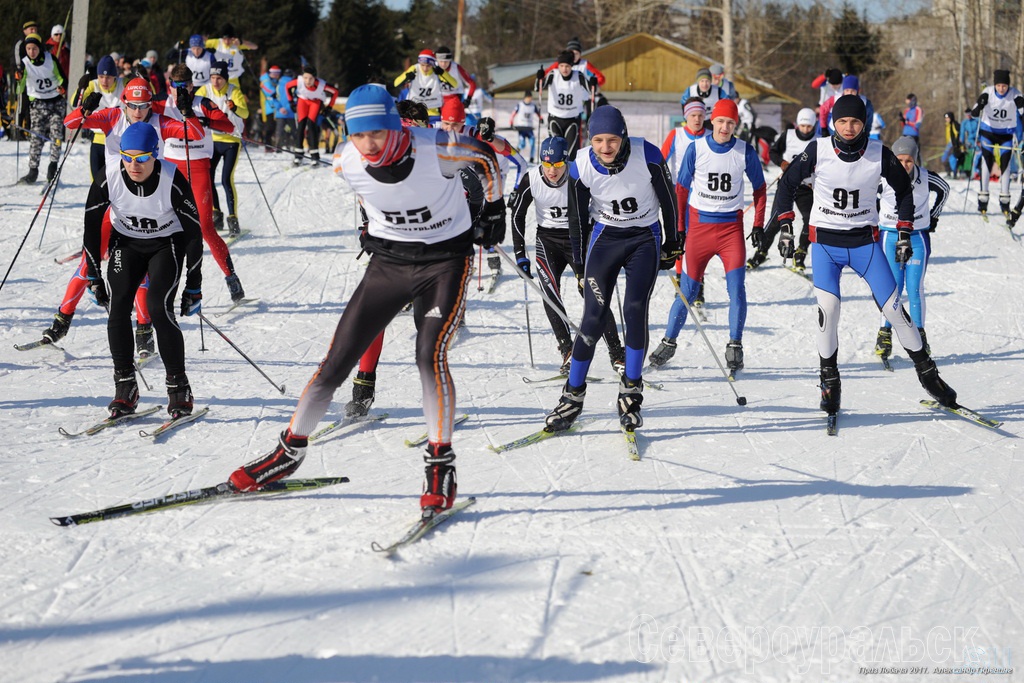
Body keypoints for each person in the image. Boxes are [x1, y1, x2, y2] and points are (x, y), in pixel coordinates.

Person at [227, 84, 505, 520]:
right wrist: (371, 225)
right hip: (389, 263)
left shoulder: (441, 148)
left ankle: (440, 466)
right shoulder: (346, 161)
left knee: (427, 355)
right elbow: (368, 192)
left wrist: (493, 212)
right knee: (336, 361)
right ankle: (289, 451)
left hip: (444, 262)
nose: (369, 144)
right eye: (359, 134)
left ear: (395, 126)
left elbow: (487, 159)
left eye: (376, 132)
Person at [769, 94, 958, 419]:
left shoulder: (878, 154)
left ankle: (929, 376)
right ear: (834, 123)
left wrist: (903, 230)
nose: (848, 127)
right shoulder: (819, 150)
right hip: (826, 244)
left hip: (863, 245)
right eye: (842, 121)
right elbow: (786, 185)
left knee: (896, 310)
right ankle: (829, 380)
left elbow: (904, 192)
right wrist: (786, 226)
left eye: (855, 122)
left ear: (864, 124)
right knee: (828, 310)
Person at [543, 105, 678, 433]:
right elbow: (576, 219)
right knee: (593, 315)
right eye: (599, 140)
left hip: (644, 239)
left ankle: (631, 390)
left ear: (623, 137)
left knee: (634, 309)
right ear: (591, 140)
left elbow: (670, 200)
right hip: (604, 239)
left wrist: (673, 242)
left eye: (613, 140)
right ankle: (572, 395)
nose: (606, 147)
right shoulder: (580, 164)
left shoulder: (647, 155)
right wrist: (577, 263)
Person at [55, 77, 208, 351]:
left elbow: (195, 134)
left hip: (149, 203)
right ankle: (62, 320)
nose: (139, 112)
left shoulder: (160, 121)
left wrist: (187, 113)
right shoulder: (112, 116)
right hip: (115, 201)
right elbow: (70, 124)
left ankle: (143, 329)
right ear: (124, 103)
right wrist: (84, 109)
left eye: (145, 105)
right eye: (133, 105)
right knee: (89, 263)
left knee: (143, 272)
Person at [82, 122, 203, 419]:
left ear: (156, 154)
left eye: (142, 158)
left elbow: (193, 233)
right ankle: (125, 387)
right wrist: (94, 275)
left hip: (166, 245)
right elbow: (91, 229)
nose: (134, 165)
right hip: (128, 244)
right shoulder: (108, 177)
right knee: (119, 305)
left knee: (158, 307)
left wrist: (194, 285)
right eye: (127, 157)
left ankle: (179, 387)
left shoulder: (172, 179)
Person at [648, 98, 765, 373]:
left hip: (730, 231)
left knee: (736, 289)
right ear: (713, 121)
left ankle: (735, 344)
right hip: (699, 229)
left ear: (737, 125)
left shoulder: (744, 151)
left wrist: (758, 225)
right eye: (721, 121)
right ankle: (669, 342)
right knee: (686, 291)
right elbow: (681, 189)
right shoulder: (695, 148)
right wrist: (678, 229)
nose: (725, 128)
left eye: (731, 123)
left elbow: (760, 189)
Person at [510, 136, 627, 374]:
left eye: (558, 165)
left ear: (566, 161)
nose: (552, 171)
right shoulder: (532, 178)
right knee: (549, 294)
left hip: (580, 240)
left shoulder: (580, 174)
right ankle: (568, 351)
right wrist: (521, 255)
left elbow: (604, 204)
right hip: (548, 240)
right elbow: (516, 216)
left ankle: (617, 353)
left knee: (594, 293)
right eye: (547, 164)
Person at [159, 63, 247, 302]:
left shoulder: (203, 104)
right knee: (164, 228)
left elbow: (229, 126)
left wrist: (205, 122)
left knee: (206, 228)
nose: (181, 92)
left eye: (186, 86)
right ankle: (158, 285)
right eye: (177, 87)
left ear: (192, 85)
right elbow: (135, 107)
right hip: (171, 169)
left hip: (198, 169)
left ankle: (231, 277)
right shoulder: (163, 103)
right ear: (170, 86)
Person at [874, 136, 949, 363]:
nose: (905, 164)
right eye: (900, 160)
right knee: (892, 288)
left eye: (909, 160)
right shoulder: (883, 178)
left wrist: (933, 216)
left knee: (915, 289)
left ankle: (919, 334)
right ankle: (884, 334)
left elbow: (944, 190)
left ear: (915, 159)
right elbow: (868, 196)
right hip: (890, 235)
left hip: (918, 236)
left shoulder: (926, 178)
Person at [747, 107, 816, 270]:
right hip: (787, 185)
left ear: (814, 126)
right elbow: (773, 152)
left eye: (809, 127)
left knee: (810, 221)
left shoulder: (820, 140)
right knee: (775, 223)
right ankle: (761, 252)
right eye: (803, 126)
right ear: (798, 124)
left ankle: (800, 254)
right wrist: (783, 163)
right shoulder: (789, 135)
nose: (805, 130)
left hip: (807, 189)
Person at [197, 61, 248, 236]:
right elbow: (194, 104)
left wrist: (235, 108)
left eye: (219, 78)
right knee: (209, 179)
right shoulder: (205, 90)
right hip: (212, 141)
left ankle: (233, 219)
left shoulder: (234, 91)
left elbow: (245, 113)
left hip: (232, 141)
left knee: (227, 180)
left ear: (225, 78)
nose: (215, 81)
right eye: (212, 77)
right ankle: (216, 214)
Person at [969, 70, 1024, 217]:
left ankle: (1005, 201)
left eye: (1004, 86)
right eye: (999, 85)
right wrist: (980, 105)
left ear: (1008, 85)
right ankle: (983, 200)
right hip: (988, 132)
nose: (1001, 89)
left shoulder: (1015, 93)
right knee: (986, 161)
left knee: (1005, 165)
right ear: (995, 85)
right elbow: (974, 114)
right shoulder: (987, 93)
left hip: (1006, 134)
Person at [16, 33, 66, 184]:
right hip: (37, 104)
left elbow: (62, 77)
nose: (32, 52)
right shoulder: (24, 64)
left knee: (56, 135)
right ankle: (33, 171)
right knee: (36, 138)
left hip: (55, 103)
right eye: (29, 48)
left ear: (40, 48)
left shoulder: (51, 59)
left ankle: (53, 166)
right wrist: (22, 112)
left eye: (34, 48)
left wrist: (62, 87)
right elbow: (22, 89)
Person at [77, 55, 124, 179]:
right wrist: (80, 89)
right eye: (101, 77)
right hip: (98, 138)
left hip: (119, 140)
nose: (104, 81)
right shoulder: (93, 85)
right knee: (97, 180)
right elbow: (75, 104)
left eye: (108, 77)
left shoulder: (122, 84)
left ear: (115, 76)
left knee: (117, 179)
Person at [536, 51, 589, 159]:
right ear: (558, 66)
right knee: (556, 148)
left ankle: (571, 174)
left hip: (572, 119)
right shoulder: (553, 74)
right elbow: (539, 87)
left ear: (571, 66)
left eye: (567, 66)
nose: (564, 69)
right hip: (555, 118)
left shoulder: (578, 76)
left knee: (571, 150)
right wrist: (539, 78)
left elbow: (592, 89)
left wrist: (593, 82)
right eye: (561, 66)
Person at [284, 65, 338, 165]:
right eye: (305, 78)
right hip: (303, 101)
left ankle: (315, 156)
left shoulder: (321, 85)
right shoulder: (299, 81)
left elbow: (335, 92)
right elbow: (287, 86)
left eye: (310, 78)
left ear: (315, 78)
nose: (307, 81)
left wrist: (329, 107)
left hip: (315, 102)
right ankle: (298, 155)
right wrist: (291, 102)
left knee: (311, 126)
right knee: (301, 127)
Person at [394, 50, 458, 123]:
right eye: (422, 65)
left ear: (433, 64)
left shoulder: (436, 71)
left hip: (433, 112)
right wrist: (406, 77)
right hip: (415, 112)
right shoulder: (414, 68)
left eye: (428, 66)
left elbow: (455, 84)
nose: (425, 68)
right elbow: (396, 83)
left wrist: (443, 73)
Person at [509, 90, 541, 162]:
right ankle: (517, 151)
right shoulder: (520, 105)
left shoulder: (533, 105)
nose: (530, 99)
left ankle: (532, 158)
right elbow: (513, 114)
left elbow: (538, 113)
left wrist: (541, 119)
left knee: (532, 142)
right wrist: (511, 123)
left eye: (531, 98)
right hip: (522, 128)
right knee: (522, 144)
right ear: (525, 97)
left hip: (529, 128)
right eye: (528, 97)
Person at [258, 63, 282, 151]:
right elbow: (270, 91)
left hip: (274, 107)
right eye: (274, 73)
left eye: (277, 73)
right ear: (270, 73)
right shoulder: (266, 81)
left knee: (274, 127)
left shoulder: (275, 81)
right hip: (269, 107)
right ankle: (267, 146)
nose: (276, 75)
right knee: (270, 127)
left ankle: (271, 145)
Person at [959, 108, 979, 179]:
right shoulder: (964, 123)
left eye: (969, 114)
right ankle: (966, 172)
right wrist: (961, 143)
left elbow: (979, 131)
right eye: (966, 115)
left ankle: (975, 173)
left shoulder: (976, 121)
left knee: (976, 157)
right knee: (968, 157)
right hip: (969, 142)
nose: (968, 116)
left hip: (977, 141)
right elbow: (962, 133)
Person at [940, 111, 962, 179]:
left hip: (953, 145)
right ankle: (949, 173)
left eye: (947, 118)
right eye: (945, 118)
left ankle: (954, 174)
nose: (946, 119)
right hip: (949, 144)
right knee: (944, 159)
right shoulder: (947, 125)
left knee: (952, 159)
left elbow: (958, 134)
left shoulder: (954, 124)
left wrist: (956, 144)